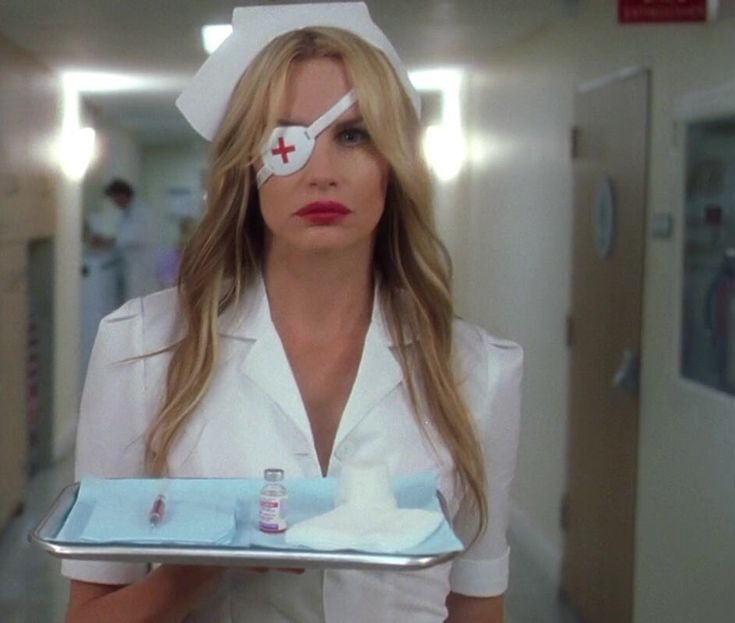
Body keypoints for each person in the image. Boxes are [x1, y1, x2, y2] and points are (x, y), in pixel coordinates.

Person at [62, 3, 522, 622]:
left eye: (354, 135)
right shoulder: (141, 349)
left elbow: (477, 606)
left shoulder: (477, 371)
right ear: (248, 169)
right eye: (288, 141)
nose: (321, 173)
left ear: (394, 164)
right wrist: (204, 561)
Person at [86, 178, 151, 299]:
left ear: (122, 195)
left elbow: (134, 237)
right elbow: (123, 236)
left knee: (136, 298)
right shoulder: (126, 213)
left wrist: (105, 240)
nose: (113, 202)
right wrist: (106, 241)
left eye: (113, 198)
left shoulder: (140, 212)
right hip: (129, 265)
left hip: (138, 266)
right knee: (130, 298)